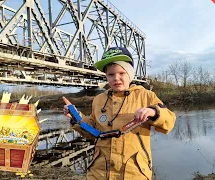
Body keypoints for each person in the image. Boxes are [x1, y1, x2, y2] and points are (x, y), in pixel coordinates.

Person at [63, 47, 176, 180]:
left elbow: (169, 122)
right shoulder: (99, 99)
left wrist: (153, 112)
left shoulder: (146, 96)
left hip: (134, 172)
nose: (116, 78)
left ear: (130, 74)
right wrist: (77, 118)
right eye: (111, 75)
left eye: (121, 73)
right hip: (98, 172)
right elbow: (92, 133)